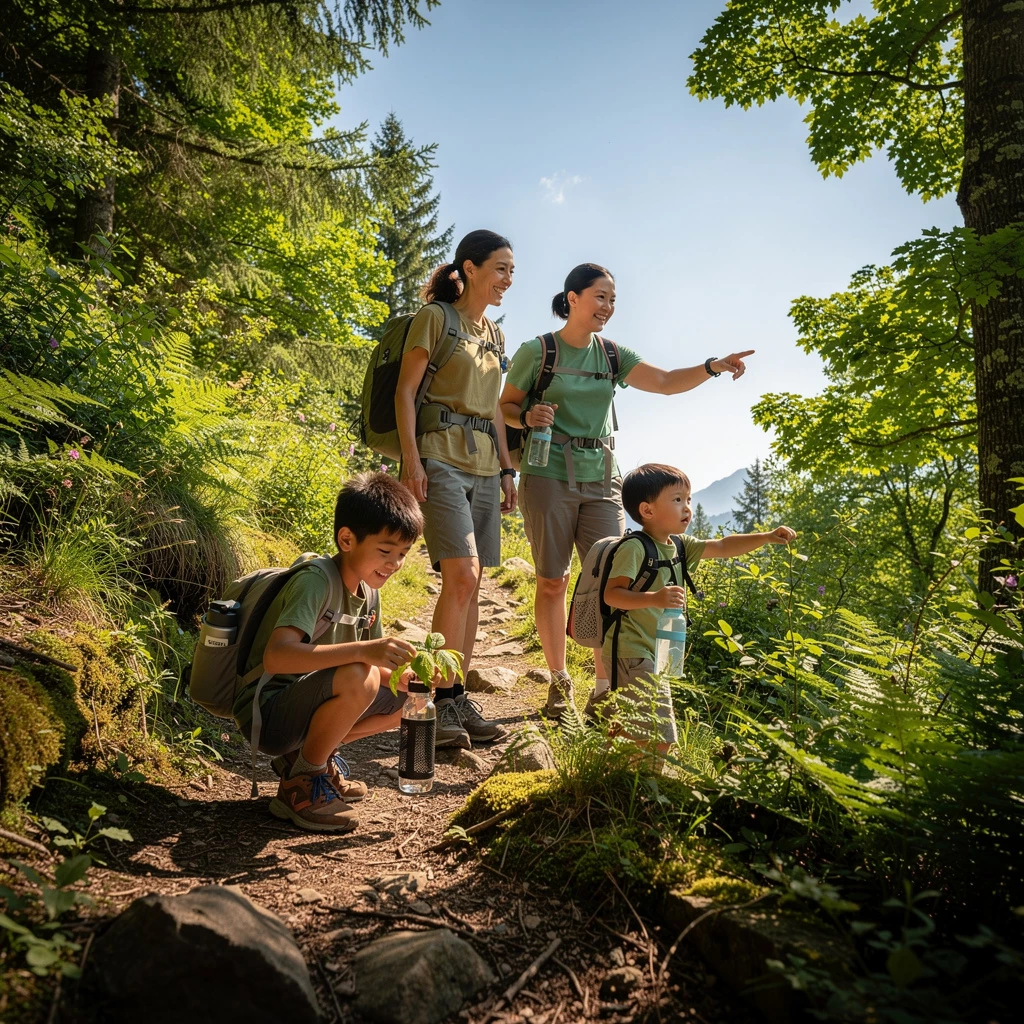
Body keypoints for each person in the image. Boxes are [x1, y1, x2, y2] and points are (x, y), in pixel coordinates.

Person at [499, 263, 754, 716]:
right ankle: (560, 682)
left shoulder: (613, 355)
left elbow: (665, 382)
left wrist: (713, 366)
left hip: (602, 478)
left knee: (609, 577)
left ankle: (605, 687)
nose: (608, 307)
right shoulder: (538, 351)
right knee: (553, 581)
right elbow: (505, 408)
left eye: (613, 300)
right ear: (572, 298)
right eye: (600, 297)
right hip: (547, 473)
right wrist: (528, 416)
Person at [232, 472, 423, 833]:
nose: (395, 564)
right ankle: (302, 781)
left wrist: (411, 681)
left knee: (411, 702)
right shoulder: (316, 581)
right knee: (359, 674)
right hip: (266, 712)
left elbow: (373, 667)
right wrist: (368, 650)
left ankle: (309, 757)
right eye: (385, 551)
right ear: (347, 539)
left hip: (302, 705)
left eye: (403, 554)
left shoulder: (369, 593)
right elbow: (278, 657)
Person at [395, 230, 518, 750]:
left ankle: (455, 697)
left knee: (473, 584)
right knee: (461, 575)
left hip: (486, 463)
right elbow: (405, 390)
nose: (508, 280)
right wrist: (411, 459)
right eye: (500, 269)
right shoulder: (437, 319)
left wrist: (509, 469)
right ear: (469, 268)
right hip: (439, 455)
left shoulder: (495, 334)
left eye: (513, 271)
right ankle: (432, 696)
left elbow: (493, 406)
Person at [593, 462, 795, 754]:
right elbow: (612, 595)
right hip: (631, 650)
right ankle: (650, 788)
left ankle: (611, 769)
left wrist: (766, 537)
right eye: (677, 500)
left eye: (688, 499)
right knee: (660, 736)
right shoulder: (635, 548)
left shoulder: (680, 545)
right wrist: (654, 598)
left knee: (637, 725)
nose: (687, 507)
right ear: (647, 511)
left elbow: (724, 547)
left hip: (656, 648)